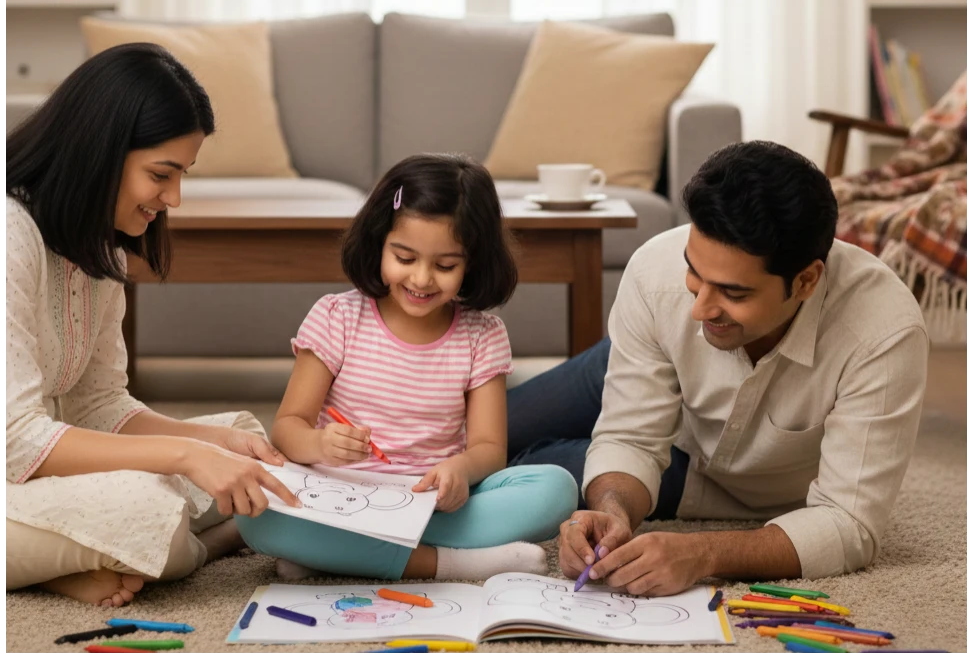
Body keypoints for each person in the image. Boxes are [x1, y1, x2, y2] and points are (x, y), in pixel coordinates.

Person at [507, 141, 928, 595]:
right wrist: (611, 509)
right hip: (650, 366)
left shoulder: (883, 332)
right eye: (694, 274)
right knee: (480, 432)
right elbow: (631, 436)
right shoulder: (656, 271)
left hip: (701, 476)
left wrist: (703, 552)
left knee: (524, 477)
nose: (700, 309)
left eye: (734, 293)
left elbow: (849, 525)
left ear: (805, 281)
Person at [6, 44, 302, 608]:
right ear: (101, 151)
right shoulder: (7, 233)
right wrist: (187, 456)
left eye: (181, 175)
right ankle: (203, 546)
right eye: (161, 175)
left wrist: (213, 443)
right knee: (149, 508)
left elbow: (99, 406)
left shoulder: (100, 248)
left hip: (32, 476)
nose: (174, 199)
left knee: (246, 438)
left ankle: (84, 558)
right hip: (11, 470)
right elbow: (15, 442)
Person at [236, 153, 578, 581]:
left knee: (556, 488)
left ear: (474, 262)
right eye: (404, 257)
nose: (421, 279)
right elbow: (287, 427)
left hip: (431, 503)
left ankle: (336, 551)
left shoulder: (482, 334)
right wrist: (321, 444)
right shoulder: (337, 317)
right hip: (338, 495)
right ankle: (451, 564)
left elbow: (489, 449)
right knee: (255, 514)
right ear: (379, 241)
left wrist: (461, 469)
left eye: (445, 265)